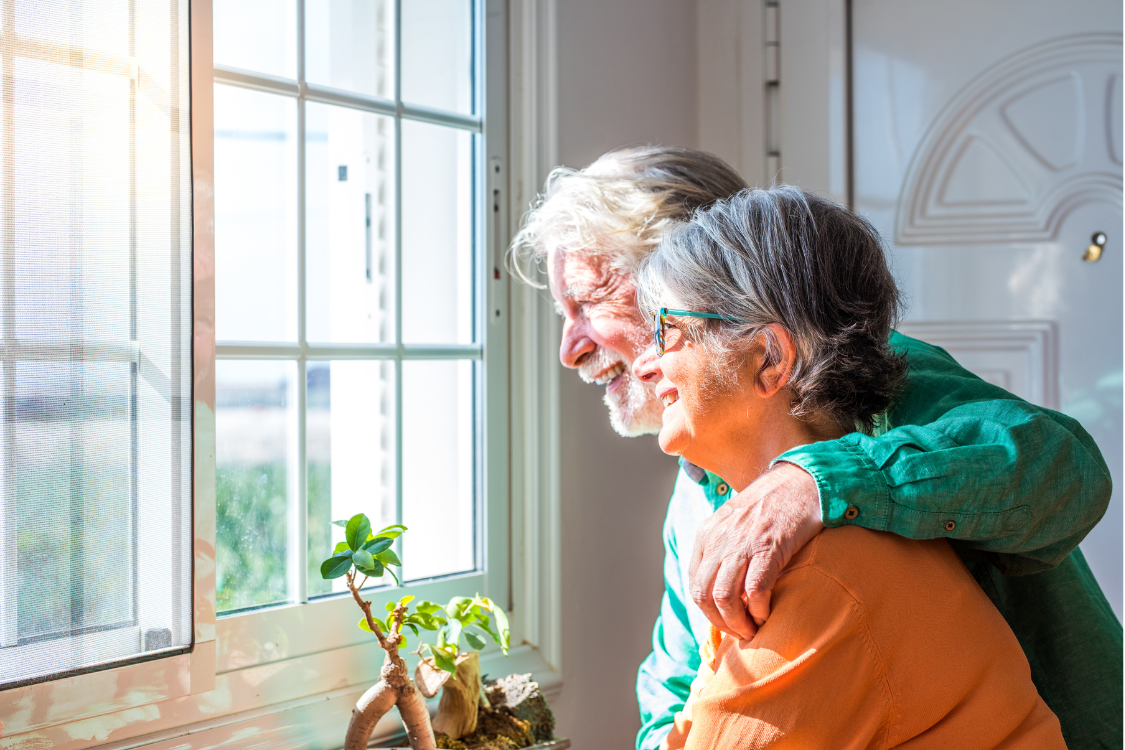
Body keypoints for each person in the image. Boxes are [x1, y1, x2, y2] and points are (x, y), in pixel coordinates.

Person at [509, 145, 1121, 750]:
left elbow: (1066, 472)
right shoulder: (694, 484)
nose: (571, 348)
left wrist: (816, 479)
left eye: (588, 302)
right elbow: (677, 689)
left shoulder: (868, 376)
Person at [631, 185, 1065, 749]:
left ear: (769, 358)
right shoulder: (756, 529)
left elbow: (1058, 461)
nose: (644, 365)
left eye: (666, 329)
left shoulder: (819, 569)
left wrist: (812, 481)